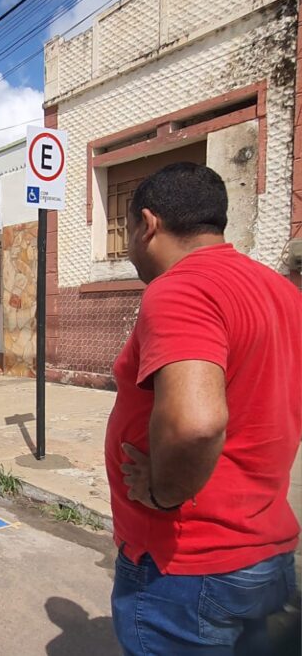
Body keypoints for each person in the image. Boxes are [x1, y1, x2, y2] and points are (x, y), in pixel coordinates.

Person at [107, 162, 301, 654]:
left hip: (188, 565)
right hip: (263, 552)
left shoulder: (179, 288)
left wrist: (163, 493)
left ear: (147, 225)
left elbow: (196, 423)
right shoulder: (282, 292)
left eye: (128, 232)